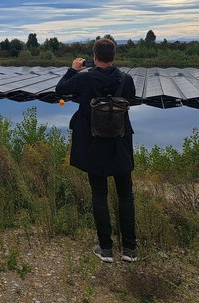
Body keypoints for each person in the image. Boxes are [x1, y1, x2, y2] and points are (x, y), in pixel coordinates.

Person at [55, 38, 138, 263]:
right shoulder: (126, 79)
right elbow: (130, 99)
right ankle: (129, 250)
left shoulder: (84, 78)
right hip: (120, 143)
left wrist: (73, 70)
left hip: (93, 143)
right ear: (113, 56)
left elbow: (60, 90)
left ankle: (106, 249)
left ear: (94, 56)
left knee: (99, 194)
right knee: (126, 194)